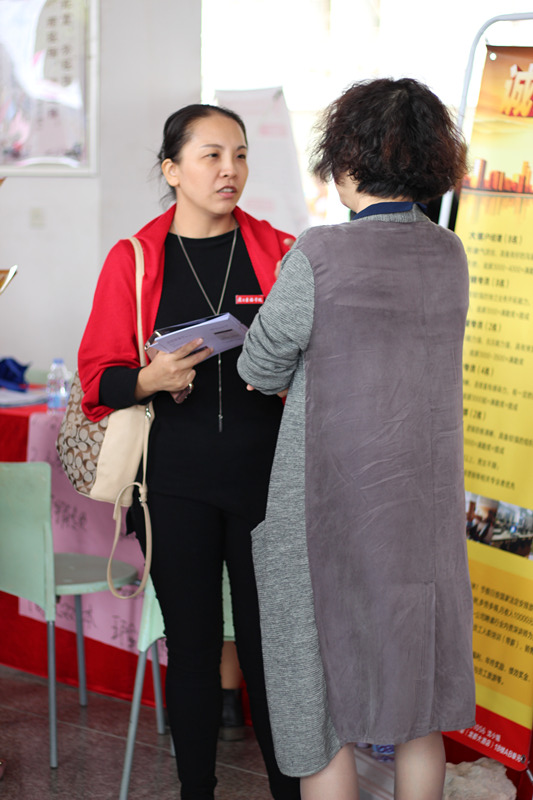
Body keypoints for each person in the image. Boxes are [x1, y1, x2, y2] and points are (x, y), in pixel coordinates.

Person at [237, 77, 476, 800]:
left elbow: (259, 365)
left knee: (318, 711)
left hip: (326, 510)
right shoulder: (448, 253)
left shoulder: (320, 253)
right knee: (417, 705)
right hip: (422, 516)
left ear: (346, 161)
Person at [78, 103, 300, 800]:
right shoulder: (135, 258)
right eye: (211, 156)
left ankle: (291, 790)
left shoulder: (281, 252)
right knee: (196, 649)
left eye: (240, 155)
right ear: (172, 170)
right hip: (172, 485)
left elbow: (319, 361)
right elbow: (98, 379)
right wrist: (149, 379)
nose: (230, 170)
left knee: (272, 655)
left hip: (266, 484)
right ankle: (195, 791)